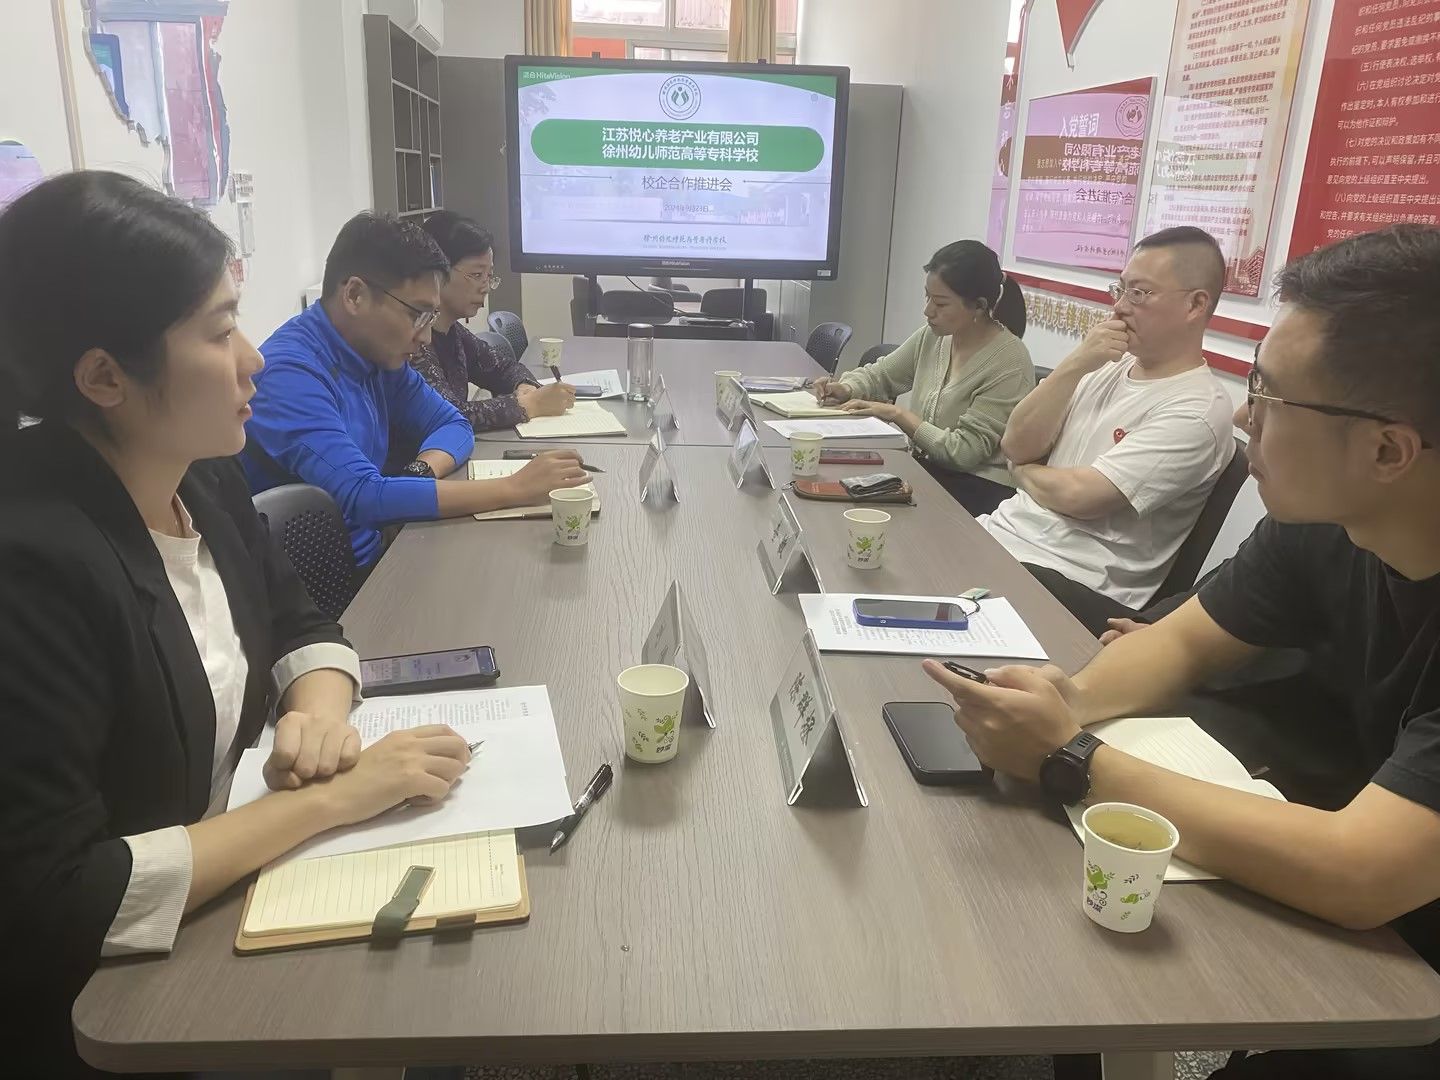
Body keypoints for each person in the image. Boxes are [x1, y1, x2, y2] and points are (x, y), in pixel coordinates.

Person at [926, 224, 1440, 1078]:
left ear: (1388, 450)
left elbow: (1362, 874)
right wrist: (1066, 700)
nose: (1243, 417)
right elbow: (1180, 644)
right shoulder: (1326, 525)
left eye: (1270, 398)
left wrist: (1069, 755)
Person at [0, 172, 476, 1076]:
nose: (253, 358)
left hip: (227, 885)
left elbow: (302, 622)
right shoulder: (31, 566)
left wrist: (320, 715)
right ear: (103, 376)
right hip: (113, 1006)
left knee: (446, 968)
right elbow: (56, 899)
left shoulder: (202, 473)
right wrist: (332, 798)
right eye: (220, 333)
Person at [241, 212, 588, 569]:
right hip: (335, 585)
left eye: (430, 317)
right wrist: (512, 488)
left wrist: (420, 471)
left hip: (386, 550)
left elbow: (454, 423)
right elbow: (363, 495)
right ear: (355, 295)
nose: (425, 337)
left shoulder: (375, 354)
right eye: (417, 315)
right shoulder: (289, 374)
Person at [986, 226, 1236, 632]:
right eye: (1119, 289)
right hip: (1004, 536)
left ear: (1195, 304)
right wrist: (1076, 363)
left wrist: (1023, 471)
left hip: (1069, 579)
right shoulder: (1106, 365)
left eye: (1139, 293)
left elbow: (1081, 497)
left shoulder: (1198, 410)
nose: (1119, 307)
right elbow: (1015, 443)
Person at [811, 240, 1035, 516]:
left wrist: (897, 414)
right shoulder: (935, 336)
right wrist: (846, 387)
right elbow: (882, 374)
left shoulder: (1010, 362)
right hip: (928, 472)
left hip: (977, 491)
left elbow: (964, 453)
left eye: (940, 303)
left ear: (978, 306)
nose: (928, 311)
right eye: (927, 297)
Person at [413, 211, 576, 431]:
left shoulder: (453, 332)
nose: (486, 287)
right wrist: (530, 404)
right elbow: (448, 415)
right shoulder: (413, 342)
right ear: (437, 273)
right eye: (477, 275)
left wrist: (524, 385)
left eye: (489, 276)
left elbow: (504, 368)